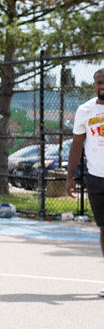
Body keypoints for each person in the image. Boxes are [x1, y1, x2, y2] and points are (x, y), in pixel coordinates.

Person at [66, 68, 104, 288]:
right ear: (94, 84)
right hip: (96, 177)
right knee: (103, 229)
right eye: (98, 82)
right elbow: (77, 145)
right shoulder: (85, 110)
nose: (102, 86)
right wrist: (70, 177)